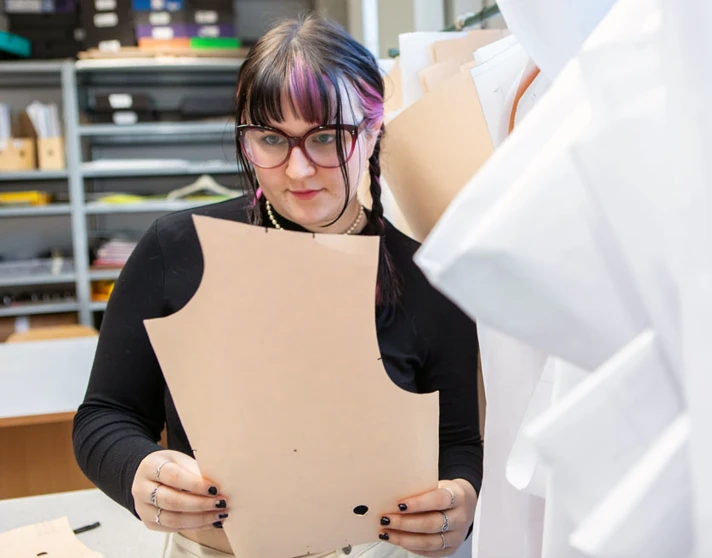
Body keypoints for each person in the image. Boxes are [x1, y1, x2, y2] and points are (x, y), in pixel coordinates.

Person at [73, 14, 482, 558]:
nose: (298, 171)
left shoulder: (431, 279)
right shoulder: (176, 250)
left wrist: (460, 498)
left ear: (373, 129)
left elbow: (457, 443)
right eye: (271, 138)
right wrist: (141, 474)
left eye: (326, 138)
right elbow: (105, 416)